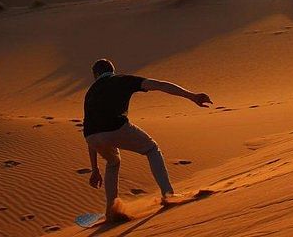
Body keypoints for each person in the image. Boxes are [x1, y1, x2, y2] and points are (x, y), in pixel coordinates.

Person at [82, 58, 212, 221]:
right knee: (151, 149)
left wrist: (94, 169)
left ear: (96, 75)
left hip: (92, 137)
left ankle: (111, 210)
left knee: (113, 163)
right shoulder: (122, 80)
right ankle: (168, 195)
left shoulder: (90, 93)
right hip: (116, 127)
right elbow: (160, 85)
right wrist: (191, 96)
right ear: (112, 70)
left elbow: (90, 129)